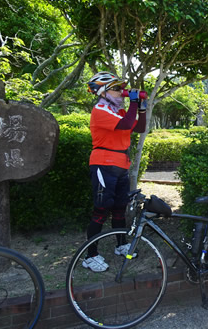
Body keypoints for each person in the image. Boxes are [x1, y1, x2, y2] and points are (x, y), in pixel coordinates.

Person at [83, 71, 147, 272]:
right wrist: (134, 102)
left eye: (122, 88)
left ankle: (121, 245)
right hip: (104, 164)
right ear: (102, 92)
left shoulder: (117, 111)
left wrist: (142, 109)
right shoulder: (100, 110)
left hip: (121, 164)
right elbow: (127, 124)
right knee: (101, 210)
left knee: (120, 207)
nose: (121, 92)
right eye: (117, 88)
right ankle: (90, 255)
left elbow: (138, 128)